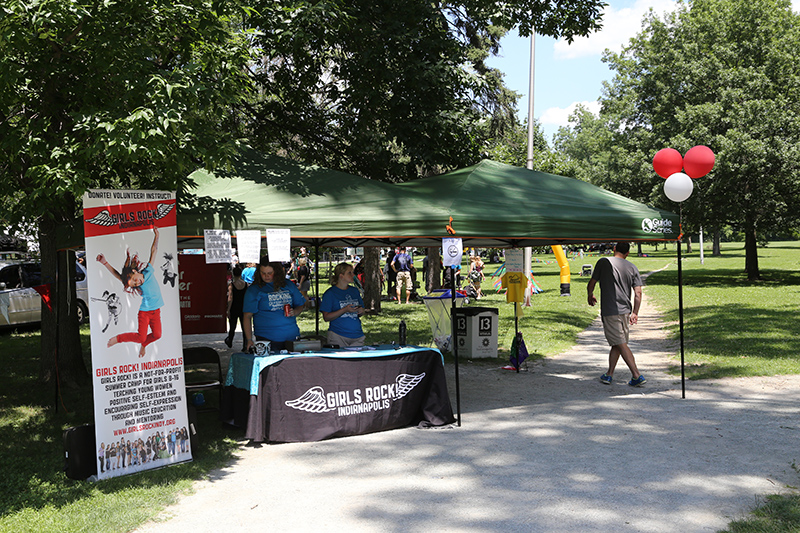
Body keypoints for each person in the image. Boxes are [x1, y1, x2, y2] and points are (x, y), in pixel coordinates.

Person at [97, 227, 163, 358]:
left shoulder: (148, 271)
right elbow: (118, 276)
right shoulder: (135, 284)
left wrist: (157, 236)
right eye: (134, 284)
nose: (137, 283)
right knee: (140, 337)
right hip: (145, 312)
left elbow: (154, 250)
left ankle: (144, 345)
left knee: (157, 335)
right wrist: (105, 263)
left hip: (156, 311)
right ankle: (118, 338)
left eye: (135, 281)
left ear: (134, 272)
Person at [587, 241, 646, 387]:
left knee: (620, 343)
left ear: (614, 249)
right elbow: (638, 292)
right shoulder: (632, 267)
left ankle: (637, 375)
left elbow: (592, 282)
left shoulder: (604, 262)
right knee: (618, 343)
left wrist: (590, 294)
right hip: (625, 311)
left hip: (610, 311)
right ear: (627, 253)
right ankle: (609, 374)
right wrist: (635, 312)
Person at [242, 258, 306, 352]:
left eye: (269, 273)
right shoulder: (254, 290)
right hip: (266, 339)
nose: (266, 276)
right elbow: (247, 316)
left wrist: (295, 311)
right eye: (263, 273)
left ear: (277, 272)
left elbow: (301, 304)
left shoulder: (288, 285)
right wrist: (249, 339)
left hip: (292, 337)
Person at [320, 262, 366, 347]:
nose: (353, 275)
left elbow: (362, 310)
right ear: (341, 276)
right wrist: (344, 310)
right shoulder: (330, 293)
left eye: (353, 272)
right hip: (338, 336)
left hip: (357, 336)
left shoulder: (354, 291)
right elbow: (326, 317)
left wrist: (361, 311)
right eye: (349, 273)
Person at [224, 264, 247, 350]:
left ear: (233, 274)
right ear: (241, 274)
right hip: (243, 308)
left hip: (234, 308)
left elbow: (230, 298)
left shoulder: (231, 285)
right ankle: (245, 345)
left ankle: (230, 340)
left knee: (232, 326)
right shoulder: (246, 284)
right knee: (244, 327)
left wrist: (228, 309)